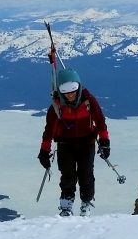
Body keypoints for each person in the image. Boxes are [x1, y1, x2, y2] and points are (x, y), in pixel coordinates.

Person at [38, 68, 110, 217]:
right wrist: (44, 151)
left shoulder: (89, 101)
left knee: (86, 175)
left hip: (87, 144)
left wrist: (104, 142)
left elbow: (100, 121)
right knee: (68, 176)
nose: (70, 94)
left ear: (79, 87)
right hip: (65, 145)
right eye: (65, 91)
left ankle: (86, 203)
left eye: (73, 90)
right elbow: (49, 130)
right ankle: (66, 206)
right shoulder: (56, 107)